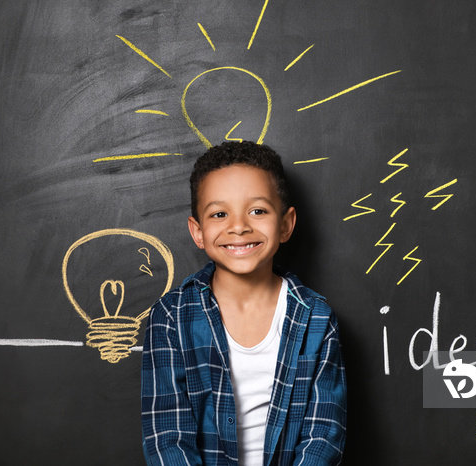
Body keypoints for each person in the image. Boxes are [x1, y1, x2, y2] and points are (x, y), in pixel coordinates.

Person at [141, 141, 346, 466]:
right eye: (220, 214)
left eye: (258, 211)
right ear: (198, 231)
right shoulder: (170, 318)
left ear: (285, 224)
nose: (238, 226)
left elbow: (323, 437)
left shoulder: (316, 319)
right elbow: (168, 439)